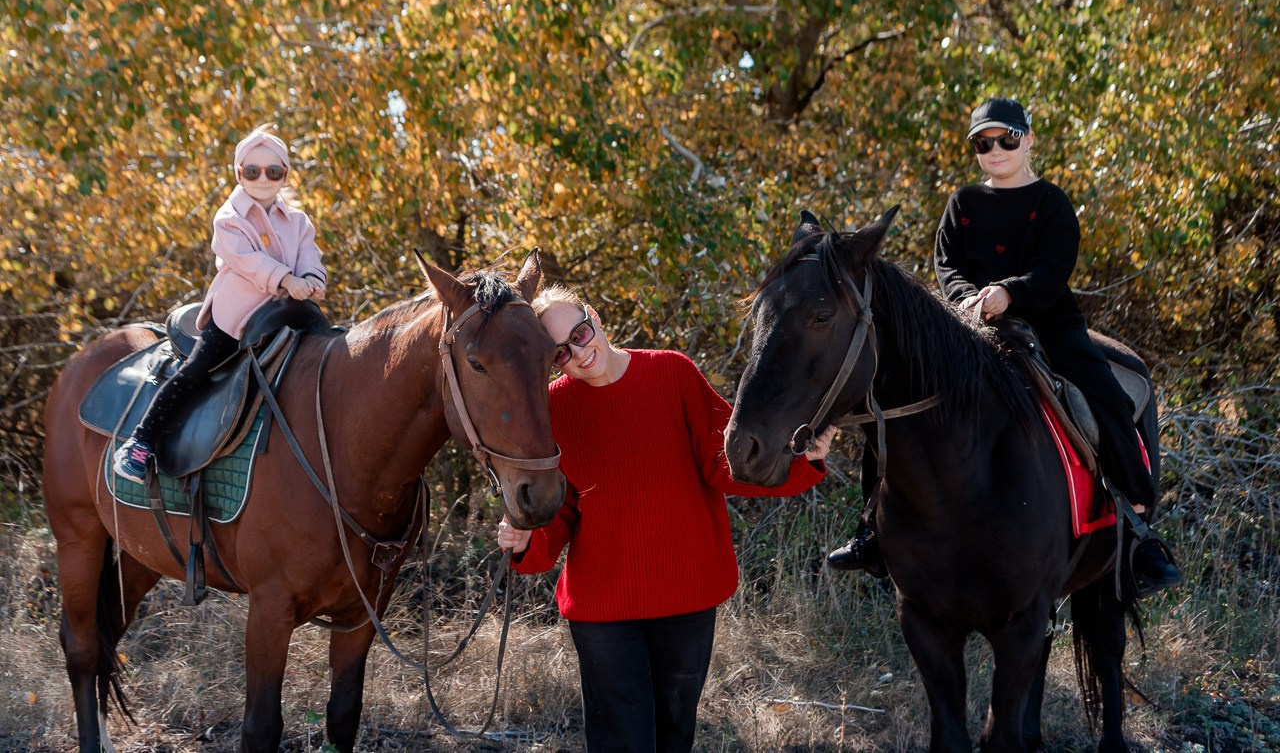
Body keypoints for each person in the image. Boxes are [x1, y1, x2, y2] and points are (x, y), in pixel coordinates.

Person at [827, 97, 1182, 594]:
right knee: (893, 398)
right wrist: (966, 298)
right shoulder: (963, 203)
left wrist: (1010, 292)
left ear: (1028, 139)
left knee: (1104, 397)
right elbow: (945, 261)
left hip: (1047, 323)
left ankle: (1138, 528)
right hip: (966, 325)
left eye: (1006, 139)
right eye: (983, 142)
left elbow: (1054, 268)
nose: (995, 149)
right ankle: (873, 530)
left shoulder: (1052, 203)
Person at [496, 285, 835, 753]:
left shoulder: (671, 372)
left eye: (580, 332)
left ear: (595, 317)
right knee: (621, 743)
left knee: (675, 738)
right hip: (604, 610)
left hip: (687, 596)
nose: (578, 352)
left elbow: (727, 462)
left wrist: (800, 460)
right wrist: (525, 538)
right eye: (560, 352)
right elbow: (563, 510)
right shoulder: (553, 409)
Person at [113, 125, 327, 483]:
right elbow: (244, 259)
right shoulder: (229, 218)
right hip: (238, 317)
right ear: (239, 173)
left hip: (288, 313)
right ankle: (140, 442)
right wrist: (286, 280)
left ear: (284, 175)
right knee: (197, 370)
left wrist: (312, 279)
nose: (263, 178)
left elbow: (310, 256)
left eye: (273, 171)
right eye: (252, 171)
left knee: (331, 351)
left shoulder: (298, 222)